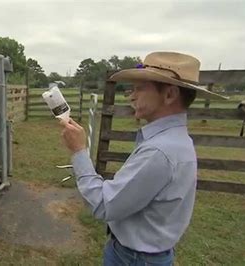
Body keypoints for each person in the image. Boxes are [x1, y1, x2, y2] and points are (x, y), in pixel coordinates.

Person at [60, 51, 227, 265]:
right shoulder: (174, 142)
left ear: (169, 94)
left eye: (140, 88)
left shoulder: (160, 151)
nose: (131, 96)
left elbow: (104, 205)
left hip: (134, 259)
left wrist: (78, 151)